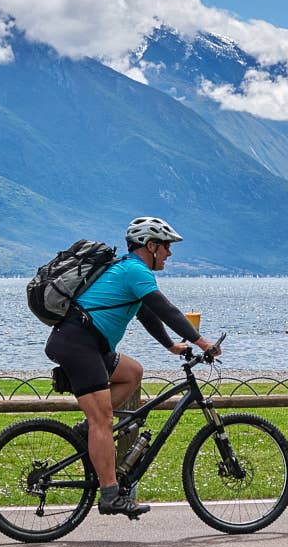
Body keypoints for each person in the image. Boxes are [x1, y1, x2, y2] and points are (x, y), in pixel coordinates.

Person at [44, 217, 220, 518]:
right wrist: (202, 342)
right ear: (150, 246)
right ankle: (111, 495)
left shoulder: (128, 271)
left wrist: (171, 346)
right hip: (79, 344)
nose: (169, 253)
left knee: (132, 373)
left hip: (91, 345)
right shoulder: (134, 271)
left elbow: (148, 314)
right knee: (105, 421)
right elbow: (167, 310)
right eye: (166, 246)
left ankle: (88, 430)